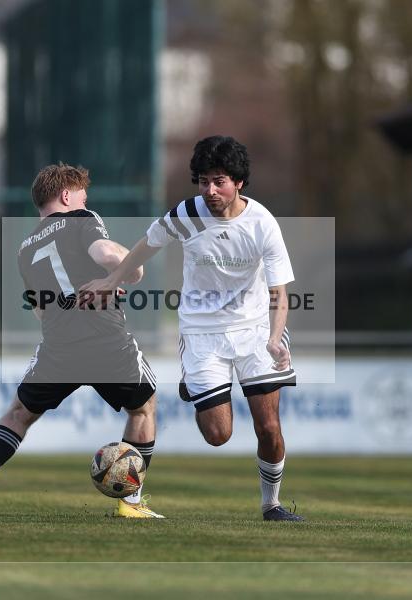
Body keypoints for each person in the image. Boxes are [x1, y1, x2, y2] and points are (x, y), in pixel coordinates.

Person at [80, 136, 303, 521]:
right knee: (219, 435)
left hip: (255, 331)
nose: (210, 190)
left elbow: (279, 293)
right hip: (202, 332)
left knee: (268, 426)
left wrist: (273, 338)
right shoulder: (187, 213)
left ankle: (272, 504)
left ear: (239, 183)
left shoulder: (262, 223)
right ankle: (197, 388)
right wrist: (111, 278)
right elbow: (147, 245)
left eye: (219, 181)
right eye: (203, 181)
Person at [0, 163, 163, 519]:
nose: (84, 201)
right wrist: (127, 271)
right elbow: (106, 255)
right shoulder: (82, 218)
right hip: (105, 339)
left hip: (58, 344)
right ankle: (131, 502)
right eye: (82, 196)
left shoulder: (25, 248)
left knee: (18, 414)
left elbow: (40, 309)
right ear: (67, 196)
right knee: (144, 408)